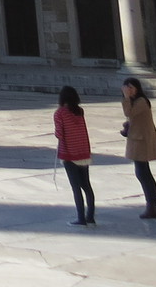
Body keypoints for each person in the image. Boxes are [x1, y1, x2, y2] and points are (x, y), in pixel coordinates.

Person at [120, 77, 156, 219]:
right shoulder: (136, 102)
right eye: (127, 88)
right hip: (137, 139)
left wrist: (126, 97)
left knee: (143, 174)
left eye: (131, 88)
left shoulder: (141, 101)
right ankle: (155, 205)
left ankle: (152, 205)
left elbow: (128, 113)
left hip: (141, 141)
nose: (129, 90)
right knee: (144, 173)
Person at [54, 85, 96, 227]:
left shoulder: (60, 113)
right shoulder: (79, 111)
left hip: (69, 153)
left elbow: (59, 134)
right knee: (87, 186)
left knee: (76, 187)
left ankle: (80, 218)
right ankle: (90, 216)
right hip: (83, 152)